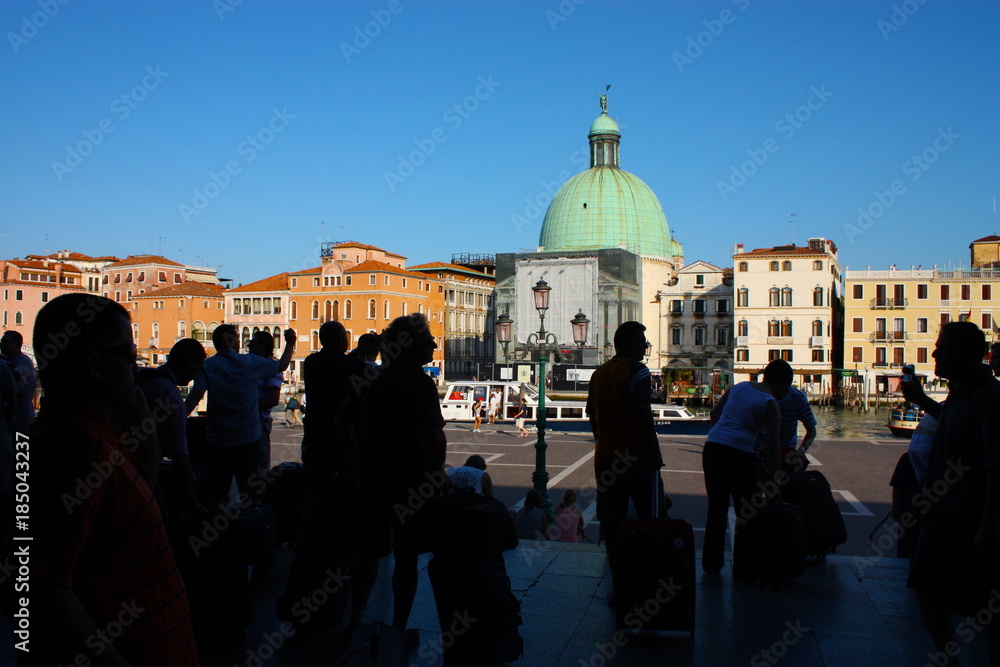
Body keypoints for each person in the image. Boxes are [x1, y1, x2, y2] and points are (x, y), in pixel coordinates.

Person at [28, 293, 197, 665]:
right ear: (95, 364)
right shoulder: (73, 447)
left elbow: (139, 494)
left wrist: (143, 424)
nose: (137, 368)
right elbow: (43, 586)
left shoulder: (94, 435)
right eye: (128, 355)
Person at [906, 322, 1000, 664]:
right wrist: (920, 399)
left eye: (943, 347)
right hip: (941, 517)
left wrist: (988, 528)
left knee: (983, 605)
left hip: (968, 521)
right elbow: (952, 420)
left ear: (971, 354)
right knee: (925, 584)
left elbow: (995, 467)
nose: (935, 353)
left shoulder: (989, 398)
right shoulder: (960, 393)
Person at [352, 314, 446, 649]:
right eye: (428, 339)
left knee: (370, 550)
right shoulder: (420, 384)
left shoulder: (372, 380)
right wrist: (437, 473)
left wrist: (360, 462)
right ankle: (398, 628)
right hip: (411, 480)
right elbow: (434, 436)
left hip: (374, 478)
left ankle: (355, 620)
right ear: (411, 346)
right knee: (406, 557)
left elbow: (342, 424)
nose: (433, 343)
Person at [586, 322, 668, 588]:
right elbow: (643, 414)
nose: (645, 346)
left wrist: (602, 441)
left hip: (605, 459)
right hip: (636, 458)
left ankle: (618, 578)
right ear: (626, 344)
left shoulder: (598, 374)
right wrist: (654, 452)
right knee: (651, 516)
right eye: (641, 341)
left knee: (612, 521)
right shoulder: (638, 371)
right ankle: (649, 578)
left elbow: (592, 415)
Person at [185, 323, 296, 505]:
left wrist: (176, 420)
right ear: (234, 342)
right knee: (250, 493)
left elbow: (194, 397)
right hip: (248, 439)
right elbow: (282, 365)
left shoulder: (208, 366)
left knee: (217, 493)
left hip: (218, 440)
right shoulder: (249, 362)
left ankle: (217, 519)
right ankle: (249, 521)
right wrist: (290, 342)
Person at [701, 359, 791, 576]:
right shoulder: (770, 404)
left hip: (713, 448)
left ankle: (711, 565)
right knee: (746, 512)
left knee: (716, 509)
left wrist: (725, 435)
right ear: (783, 383)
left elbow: (714, 414)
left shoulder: (739, 387)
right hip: (740, 455)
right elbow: (773, 447)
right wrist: (774, 482)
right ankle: (742, 566)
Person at [136, 338, 207, 516]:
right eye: (197, 369)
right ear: (189, 363)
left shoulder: (143, 379)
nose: (195, 376)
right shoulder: (171, 397)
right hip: (144, 476)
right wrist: (192, 502)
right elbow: (179, 457)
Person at [248, 330, 283, 470]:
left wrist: (247, 407)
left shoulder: (272, 368)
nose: (248, 346)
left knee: (259, 462)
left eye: (252, 343)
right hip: (249, 418)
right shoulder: (249, 365)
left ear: (261, 346)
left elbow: (273, 399)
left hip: (259, 419)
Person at [1, 329, 37, 434]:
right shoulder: (11, 361)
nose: (2, 345)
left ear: (17, 346)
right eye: (2, 342)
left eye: (6, 342)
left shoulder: (22, 362)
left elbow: (18, 389)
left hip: (20, 420)